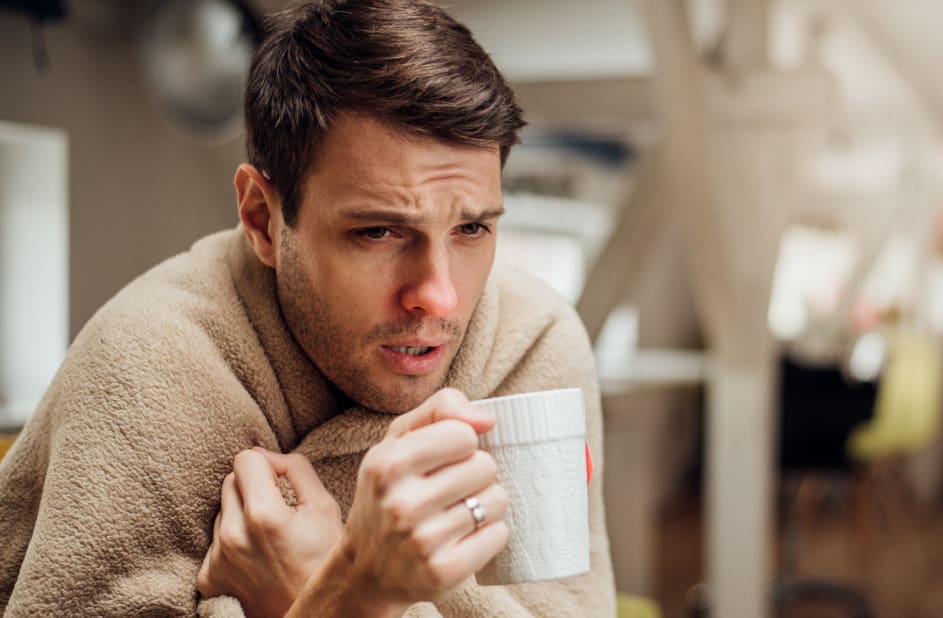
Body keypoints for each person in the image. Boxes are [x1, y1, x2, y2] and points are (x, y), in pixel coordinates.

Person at [0, 0, 615, 615]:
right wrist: (354, 590)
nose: (440, 296)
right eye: (379, 232)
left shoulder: (531, 340)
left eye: (472, 230)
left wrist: (323, 591)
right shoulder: (144, 368)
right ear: (262, 219)